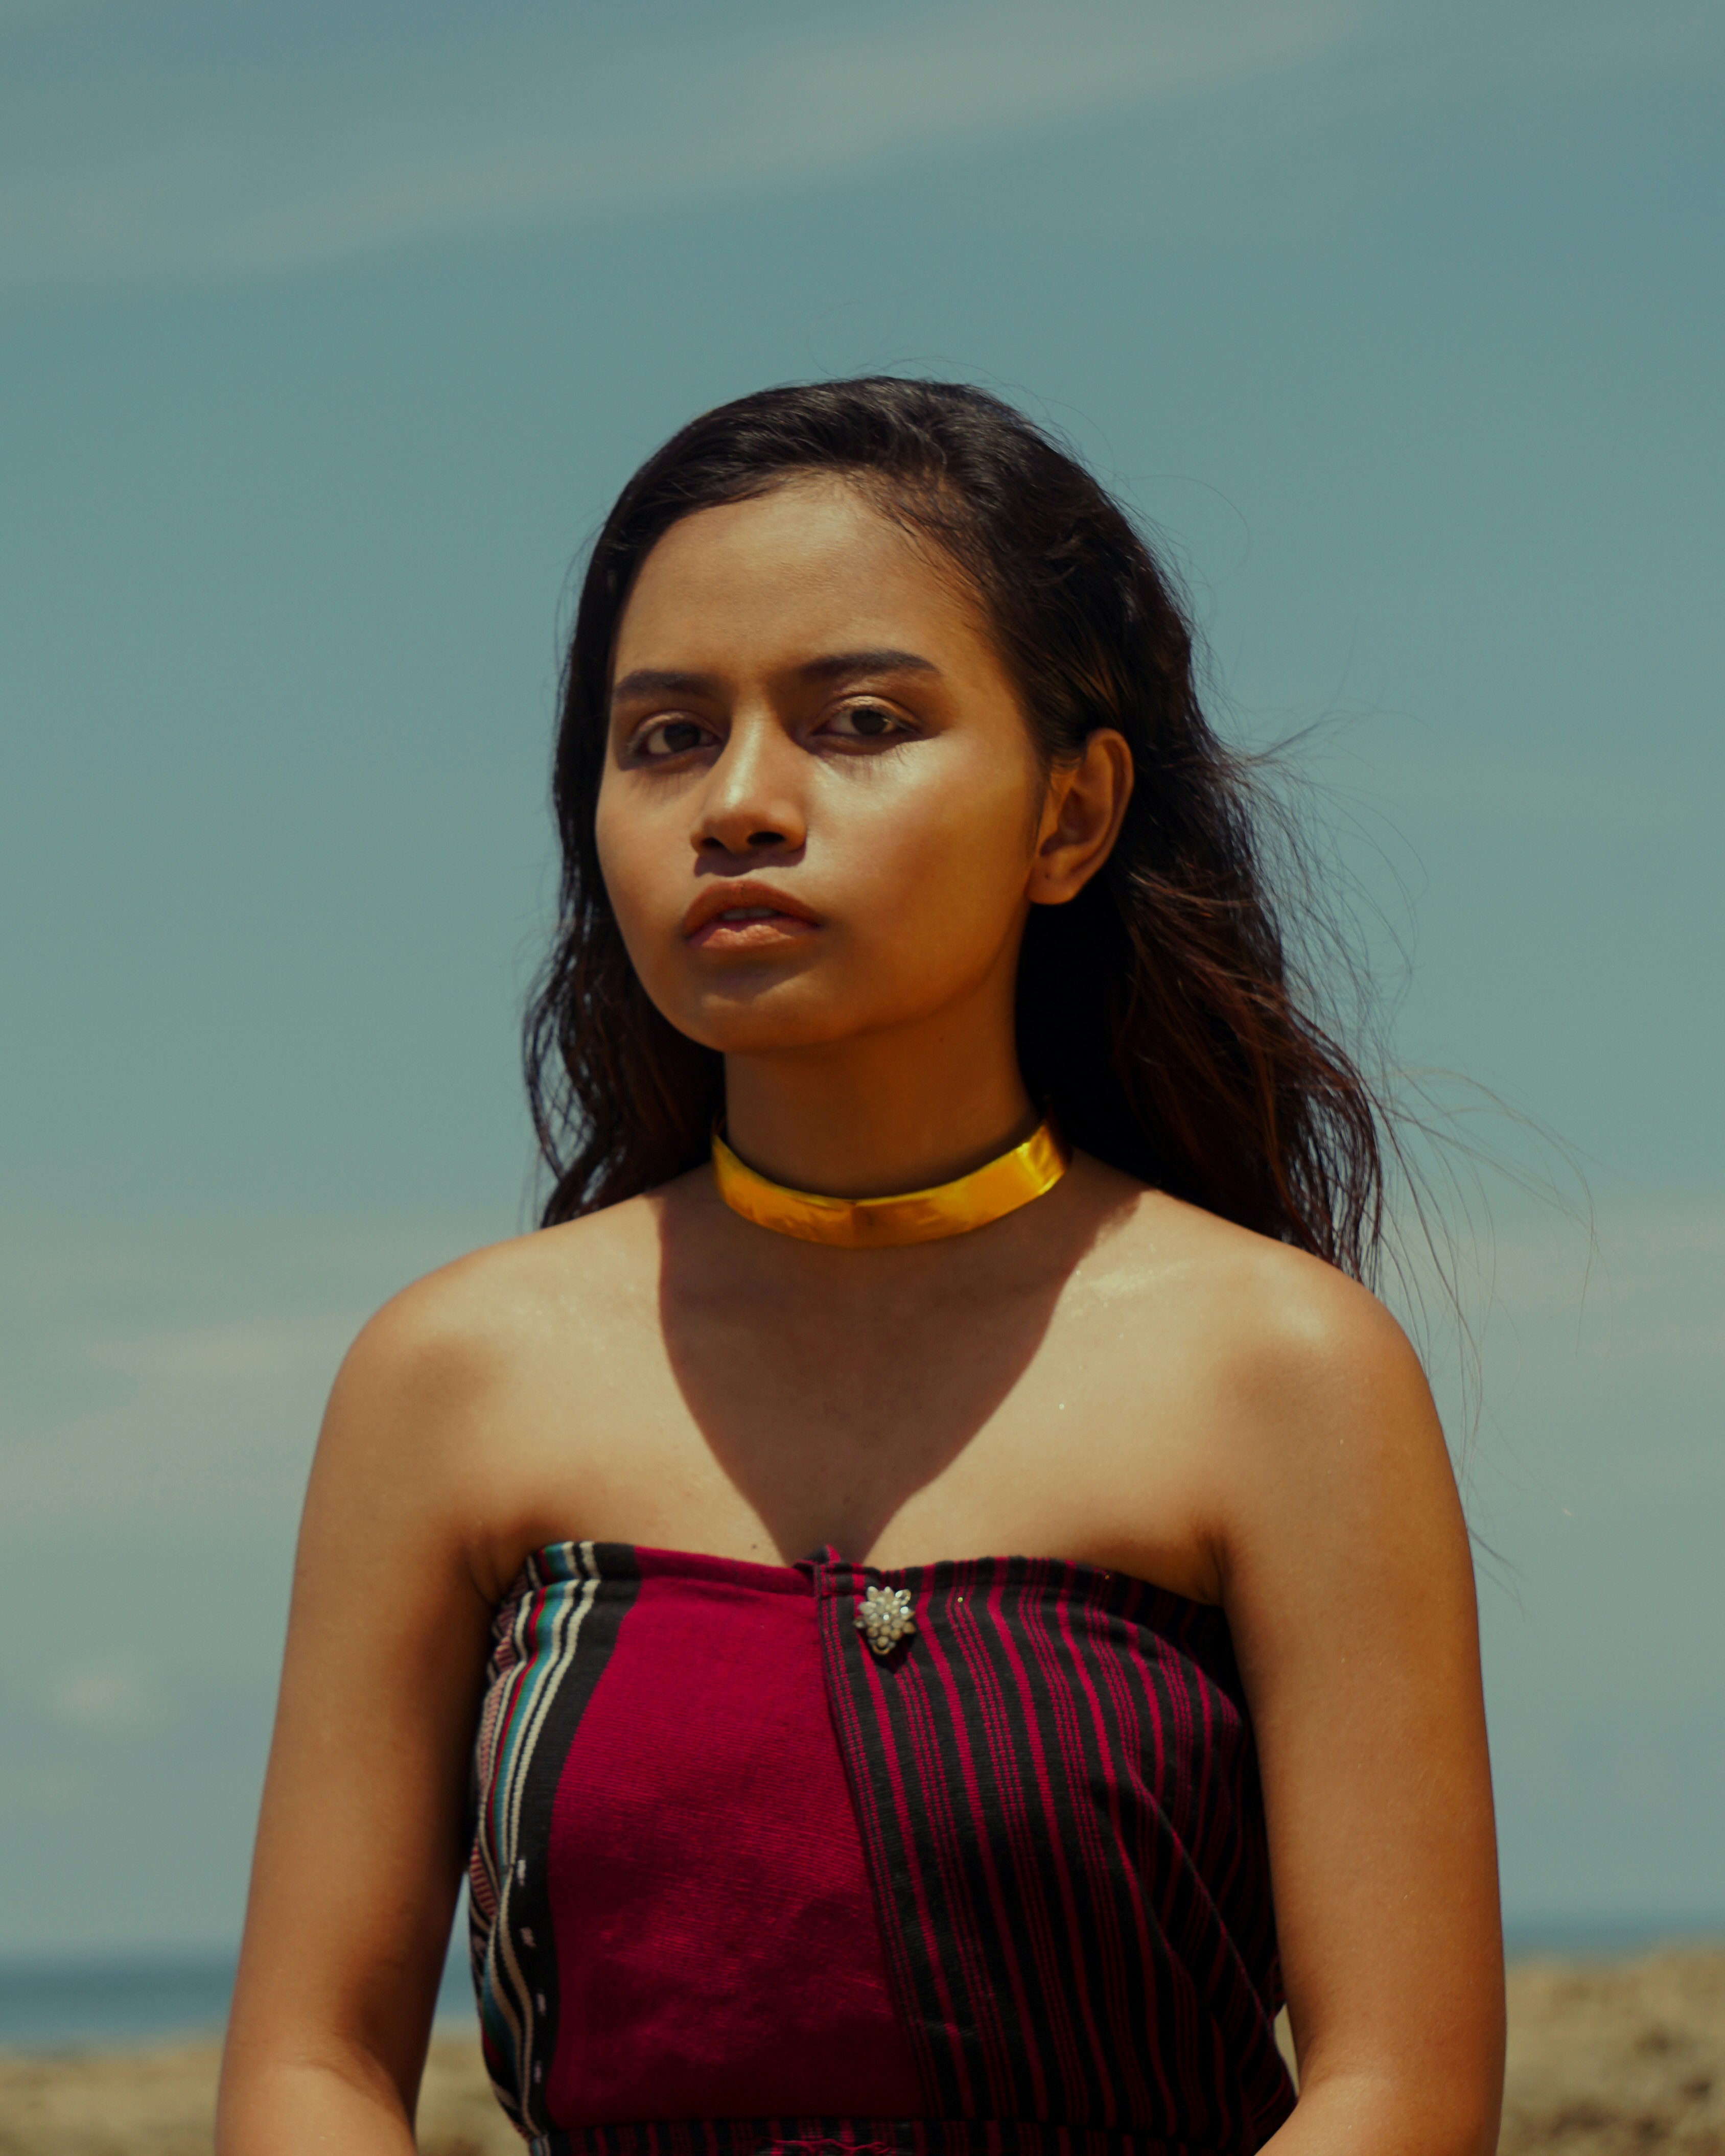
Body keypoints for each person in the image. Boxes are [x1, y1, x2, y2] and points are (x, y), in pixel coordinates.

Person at [216, 378, 1503, 2156]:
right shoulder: (452, 1381)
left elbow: (1404, 2088)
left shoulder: (1281, 1370)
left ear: (1071, 814)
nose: (740, 802)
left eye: (862, 719)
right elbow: (309, 2073)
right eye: (664, 737)